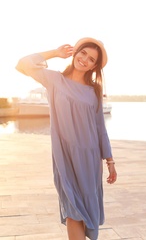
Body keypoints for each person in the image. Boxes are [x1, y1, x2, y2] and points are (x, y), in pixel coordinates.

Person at [16, 37, 117, 240]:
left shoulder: (93, 92)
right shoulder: (54, 80)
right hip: (65, 156)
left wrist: (110, 161)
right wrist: (55, 52)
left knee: (83, 210)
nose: (84, 60)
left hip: (90, 159)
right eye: (83, 53)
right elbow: (23, 64)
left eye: (91, 59)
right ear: (75, 52)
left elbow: (100, 128)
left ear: (94, 66)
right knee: (73, 209)